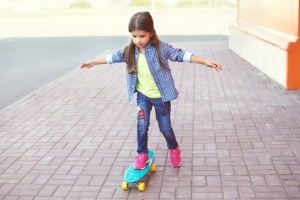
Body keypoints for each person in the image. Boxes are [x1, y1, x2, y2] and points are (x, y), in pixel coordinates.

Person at [80, 11, 222, 169]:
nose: (138, 40)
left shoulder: (161, 49)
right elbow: (112, 58)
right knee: (142, 124)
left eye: (142, 36)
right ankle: (142, 154)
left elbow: (181, 55)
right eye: (134, 36)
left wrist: (204, 61)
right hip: (143, 96)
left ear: (151, 33)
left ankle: (174, 149)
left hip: (161, 97)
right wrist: (93, 61)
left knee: (165, 128)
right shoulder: (129, 51)